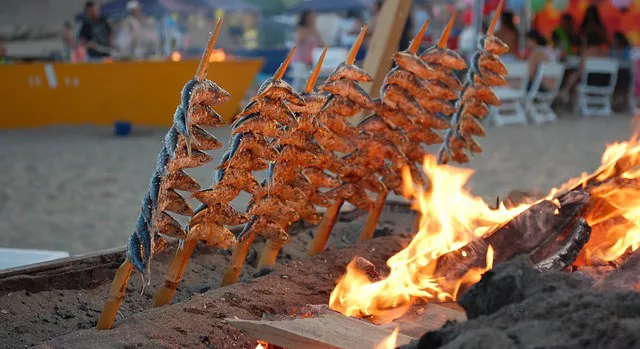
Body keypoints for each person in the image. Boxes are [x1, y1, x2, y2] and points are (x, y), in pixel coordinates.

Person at [558, 30, 608, 101]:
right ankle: (566, 93)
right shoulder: (604, 52)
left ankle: (564, 91)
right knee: (575, 75)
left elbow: (581, 70)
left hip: (589, 82)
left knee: (574, 75)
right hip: (604, 84)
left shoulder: (587, 52)